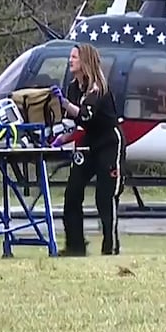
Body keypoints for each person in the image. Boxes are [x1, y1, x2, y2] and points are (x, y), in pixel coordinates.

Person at [50, 43, 126, 256]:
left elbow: (84, 115)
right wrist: (60, 138)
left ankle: (110, 245)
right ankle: (75, 246)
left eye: (74, 57)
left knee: (105, 195)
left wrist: (64, 103)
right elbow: (74, 123)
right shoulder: (74, 87)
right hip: (86, 141)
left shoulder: (98, 89)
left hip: (108, 142)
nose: (70, 60)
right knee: (72, 193)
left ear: (84, 61)